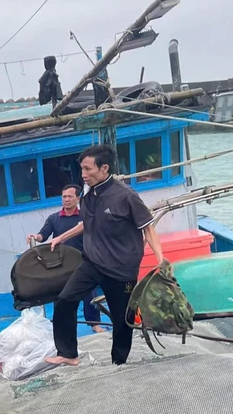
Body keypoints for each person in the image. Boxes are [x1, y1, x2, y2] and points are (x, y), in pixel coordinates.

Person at [45, 144, 165, 367]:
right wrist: (60, 237)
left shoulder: (126, 196)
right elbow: (87, 223)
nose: (83, 174)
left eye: (88, 169)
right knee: (64, 300)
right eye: (81, 169)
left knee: (122, 319)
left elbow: (148, 228)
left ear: (104, 168)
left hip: (121, 268)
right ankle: (69, 353)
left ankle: (118, 363)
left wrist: (161, 259)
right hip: (92, 262)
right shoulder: (88, 193)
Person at [26, 185, 104, 333]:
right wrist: (35, 237)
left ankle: (94, 323)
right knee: (61, 295)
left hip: (83, 261)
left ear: (78, 198)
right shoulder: (54, 218)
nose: (66, 200)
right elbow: (43, 235)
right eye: (64, 197)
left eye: (70, 196)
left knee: (90, 293)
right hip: (61, 264)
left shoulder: (84, 217)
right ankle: (62, 325)